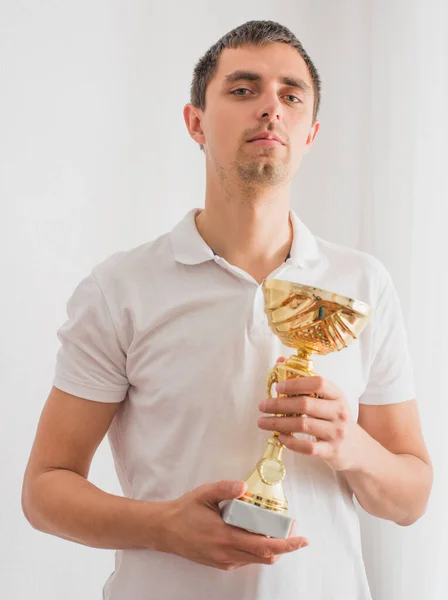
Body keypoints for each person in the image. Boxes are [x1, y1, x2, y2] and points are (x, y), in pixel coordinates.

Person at [21, 19, 433, 600]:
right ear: (196, 123)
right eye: (243, 90)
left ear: (310, 133)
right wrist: (162, 527)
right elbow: (44, 488)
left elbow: (411, 498)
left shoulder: (362, 285)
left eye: (291, 95)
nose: (271, 107)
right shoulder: (122, 288)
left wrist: (353, 446)